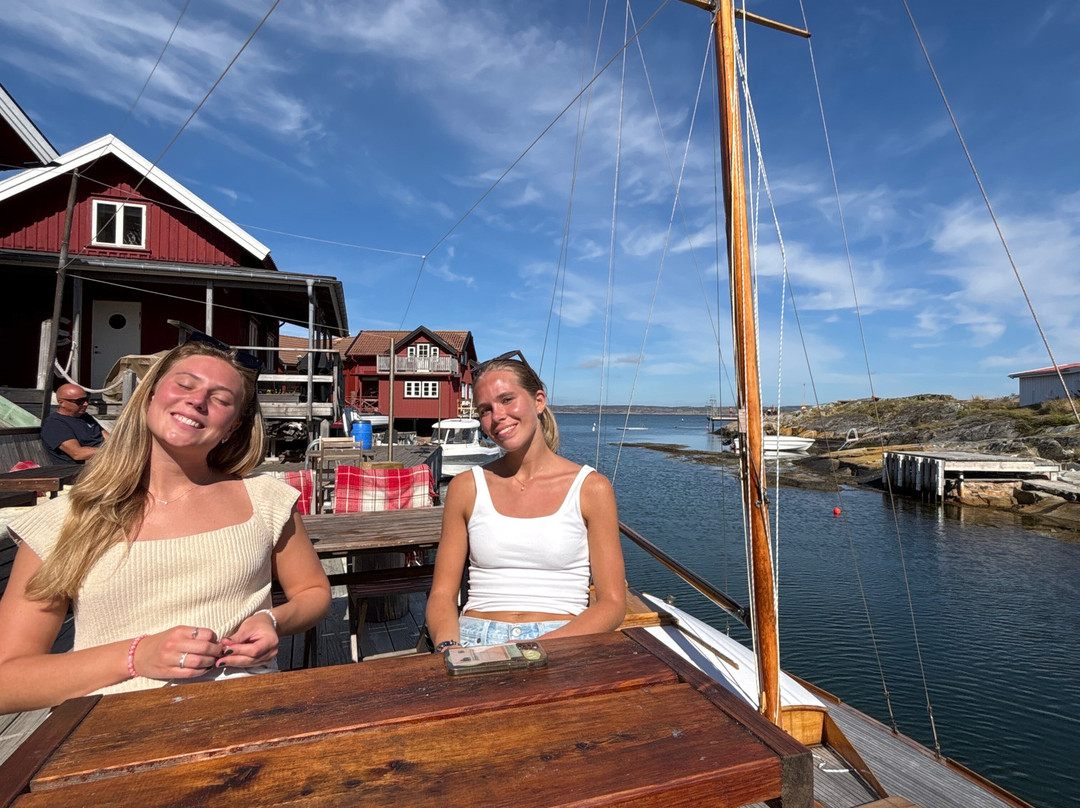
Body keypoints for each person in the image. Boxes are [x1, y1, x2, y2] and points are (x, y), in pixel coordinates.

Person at [0, 334, 331, 712]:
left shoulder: (268, 499)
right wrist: (135, 656)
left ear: (232, 427)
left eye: (221, 399)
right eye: (185, 385)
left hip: (249, 713)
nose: (198, 400)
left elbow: (313, 592)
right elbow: (8, 682)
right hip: (114, 729)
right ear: (150, 396)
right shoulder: (64, 520)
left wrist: (272, 619)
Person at [425, 351, 625, 651]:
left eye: (507, 400)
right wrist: (449, 648)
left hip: (560, 641)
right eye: (485, 410)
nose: (497, 416)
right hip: (474, 640)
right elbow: (442, 594)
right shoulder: (466, 487)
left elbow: (612, 603)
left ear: (539, 401)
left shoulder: (591, 488)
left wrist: (532, 649)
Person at [40, 383, 109, 464]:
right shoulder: (54, 424)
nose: (85, 404)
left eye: (86, 399)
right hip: (79, 468)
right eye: (79, 401)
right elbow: (78, 454)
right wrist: (113, 451)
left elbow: (109, 439)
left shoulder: (85, 417)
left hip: (102, 461)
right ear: (61, 402)